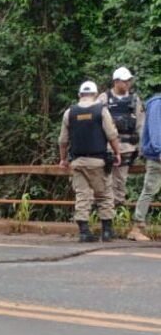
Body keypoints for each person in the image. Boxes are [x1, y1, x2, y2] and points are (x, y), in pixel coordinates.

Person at [58, 80, 121, 242]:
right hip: (98, 161)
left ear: (79, 95)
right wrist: (117, 153)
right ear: (95, 95)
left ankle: (84, 232)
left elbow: (63, 141)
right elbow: (112, 135)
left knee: (82, 196)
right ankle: (106, 232)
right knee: (105, 195)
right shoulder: (101, 111)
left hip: (77, 162)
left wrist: (63, 159)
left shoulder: (69, 113)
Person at [96, 67, 144, 206]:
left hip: (127, 147)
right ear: (116, 82)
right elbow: (96, 122)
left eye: (129, 80)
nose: (128, 83)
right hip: (107, 148)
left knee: (121, 182)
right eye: (125, 81)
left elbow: (141, 124)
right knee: (106, 181)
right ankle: (106, 213)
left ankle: (117, 211)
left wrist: (141, 150)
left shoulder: (134, 99)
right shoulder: (104, 98)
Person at [127, 90, 161, 242]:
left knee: (149, 191)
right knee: (149, 191)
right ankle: (137, 228)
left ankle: (137, 227)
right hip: (157, 157)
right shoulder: (157, 103)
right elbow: (156, 132)